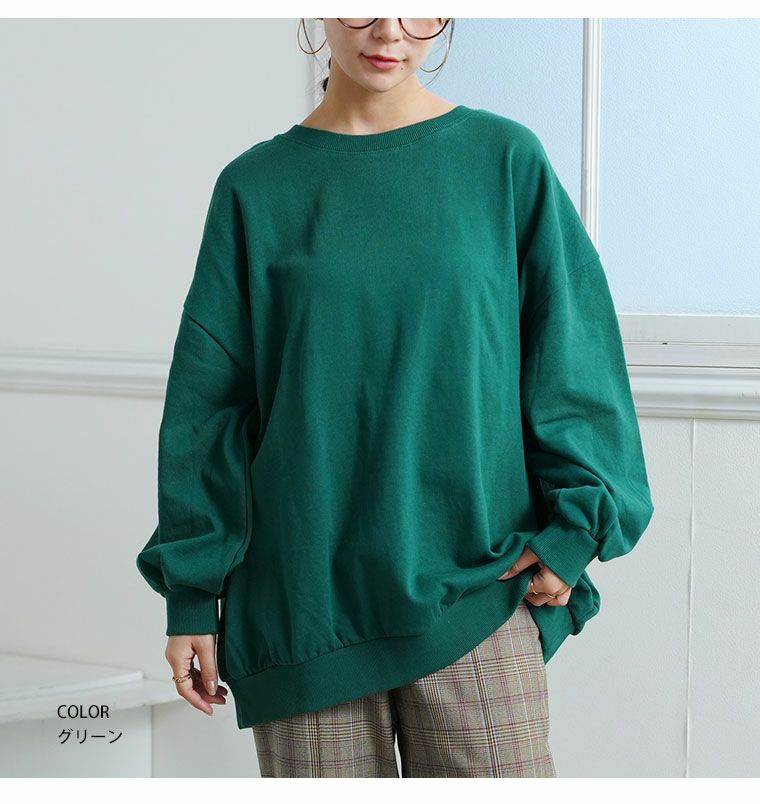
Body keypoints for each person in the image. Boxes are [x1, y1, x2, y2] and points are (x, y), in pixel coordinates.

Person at [136, 18, 655, 778]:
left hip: (479, 588)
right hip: (304, 607)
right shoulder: (255, 187)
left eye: (419, 10)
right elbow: (209, 406)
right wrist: (190, 592)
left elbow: (572, 357)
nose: (389, 30)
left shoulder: (504, 161)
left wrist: (574, 531)